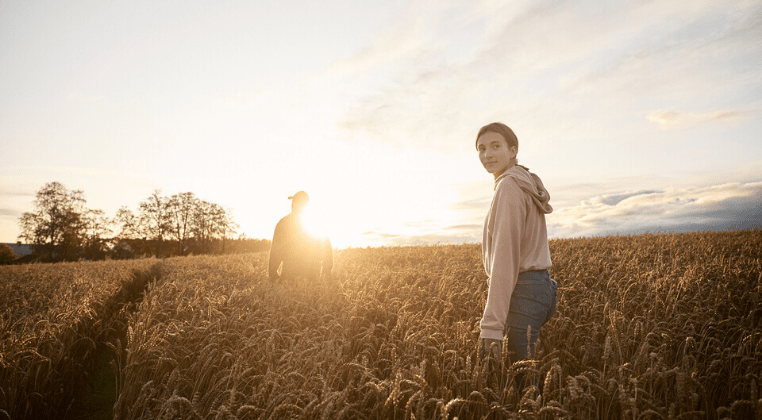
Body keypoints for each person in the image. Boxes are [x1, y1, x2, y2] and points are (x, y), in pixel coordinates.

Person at [475, 122, 558, 368]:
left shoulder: (509, 187)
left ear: (513, 151)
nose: (487, 154)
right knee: (523, 374)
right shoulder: (524, 183)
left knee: (521, 383)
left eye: (495, 146)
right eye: (481, 149)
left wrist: (491, 327)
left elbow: (505, 257)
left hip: (523, 291)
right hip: (541, 289)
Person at [268, 191, 333, 282]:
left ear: (296, 204)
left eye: (294, 201)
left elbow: (275, 253)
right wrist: (326, 274)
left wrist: (273, 276)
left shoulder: (283, 223)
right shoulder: (317, 224)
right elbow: (327, 252)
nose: (292, 204)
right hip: (313, 278)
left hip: (289, 278)